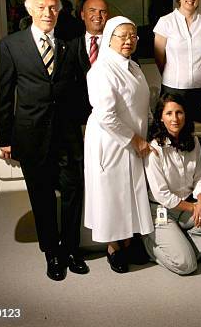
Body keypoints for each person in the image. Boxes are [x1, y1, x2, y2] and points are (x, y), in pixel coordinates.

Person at [0, 0, 88, 281]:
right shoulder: (11, 45)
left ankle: (72, 249)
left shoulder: (71, 43)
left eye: (53, 8)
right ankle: (51, 253)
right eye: (42, 7)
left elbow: (80, 88)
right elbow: (5, 93)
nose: (48, 13)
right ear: (30, 10)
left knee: (74, 190)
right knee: (42, 195)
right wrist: (6, 137)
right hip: (31, 133)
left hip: (68, 133)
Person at [84, 16, 155, 274]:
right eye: (122, 36)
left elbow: (142, 102)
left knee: (131, 191)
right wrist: (135, 139)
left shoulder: (133, 66)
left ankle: (128, 239)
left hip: (132, 140)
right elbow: (106, 115)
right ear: (109, 39)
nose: (128, 41)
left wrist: (149, 126)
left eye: (132, 36)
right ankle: (114, 247)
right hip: (111, 141)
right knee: (113, 195)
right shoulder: (101, 70)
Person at [143, 93, 201, 275]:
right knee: (186, 265)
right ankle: (151, 248)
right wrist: (195, 207)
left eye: (179, 113)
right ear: (161, 117)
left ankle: (181, 244)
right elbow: (161, 194)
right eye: (169, 113)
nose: (175, 118)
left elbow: (200, 177)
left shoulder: (193, 141)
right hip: (160, 211)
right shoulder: (155, 148)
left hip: (186, 208)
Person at [153, 0, 201, 123]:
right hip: (173, 89)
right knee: (173, 130)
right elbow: (159, 58)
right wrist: (174, 74)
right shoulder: (165, 22)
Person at [68, 0, 109, 125]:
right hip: (80, 116)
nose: (98, 15)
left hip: (111, 114)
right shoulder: (70, 46)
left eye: (102, 11)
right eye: (92, 10)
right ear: (82, 15)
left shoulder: (118, 45)